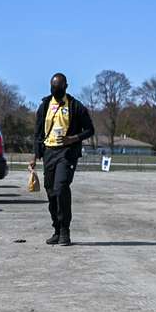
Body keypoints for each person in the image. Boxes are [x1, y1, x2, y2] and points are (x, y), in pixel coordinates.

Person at [28, 73, 95, 246]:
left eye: (58, 88)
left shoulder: (75, 106)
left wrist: (73, 139)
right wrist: (35, 155)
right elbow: (37, 133)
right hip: (49, 152)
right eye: (52, 87)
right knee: (50, 192)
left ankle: (65, 231)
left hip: (67, 153)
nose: (55, 90)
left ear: (66, 86)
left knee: (61, 187)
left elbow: (89, 130)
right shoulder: (44, 106)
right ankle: (57, 230)